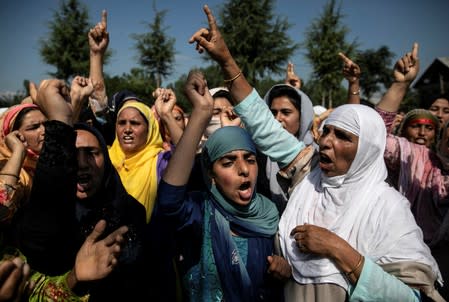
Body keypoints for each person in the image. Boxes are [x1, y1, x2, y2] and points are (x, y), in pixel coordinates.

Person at [188, 5, 444, 300]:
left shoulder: (388, 208)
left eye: (343, 136)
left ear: (367, 151)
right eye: (327, 132)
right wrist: (226, 60)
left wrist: (340, 250)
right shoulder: (309, 174)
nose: (325, 142)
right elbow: (262, 123)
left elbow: (416, 297)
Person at [157, 70, 289, 301]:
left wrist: (285, 271)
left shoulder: (270, 214)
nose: (244, 169)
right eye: (228, 162)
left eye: (249, 159)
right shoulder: (200, 212)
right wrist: (201, 113)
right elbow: (169, 201)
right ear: (211, 175)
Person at [12, 78, 148, 301]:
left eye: (92, 153)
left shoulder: (131, 210)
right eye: (74, 155)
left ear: (106, 159)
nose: (82, 164)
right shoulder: (48, 215)